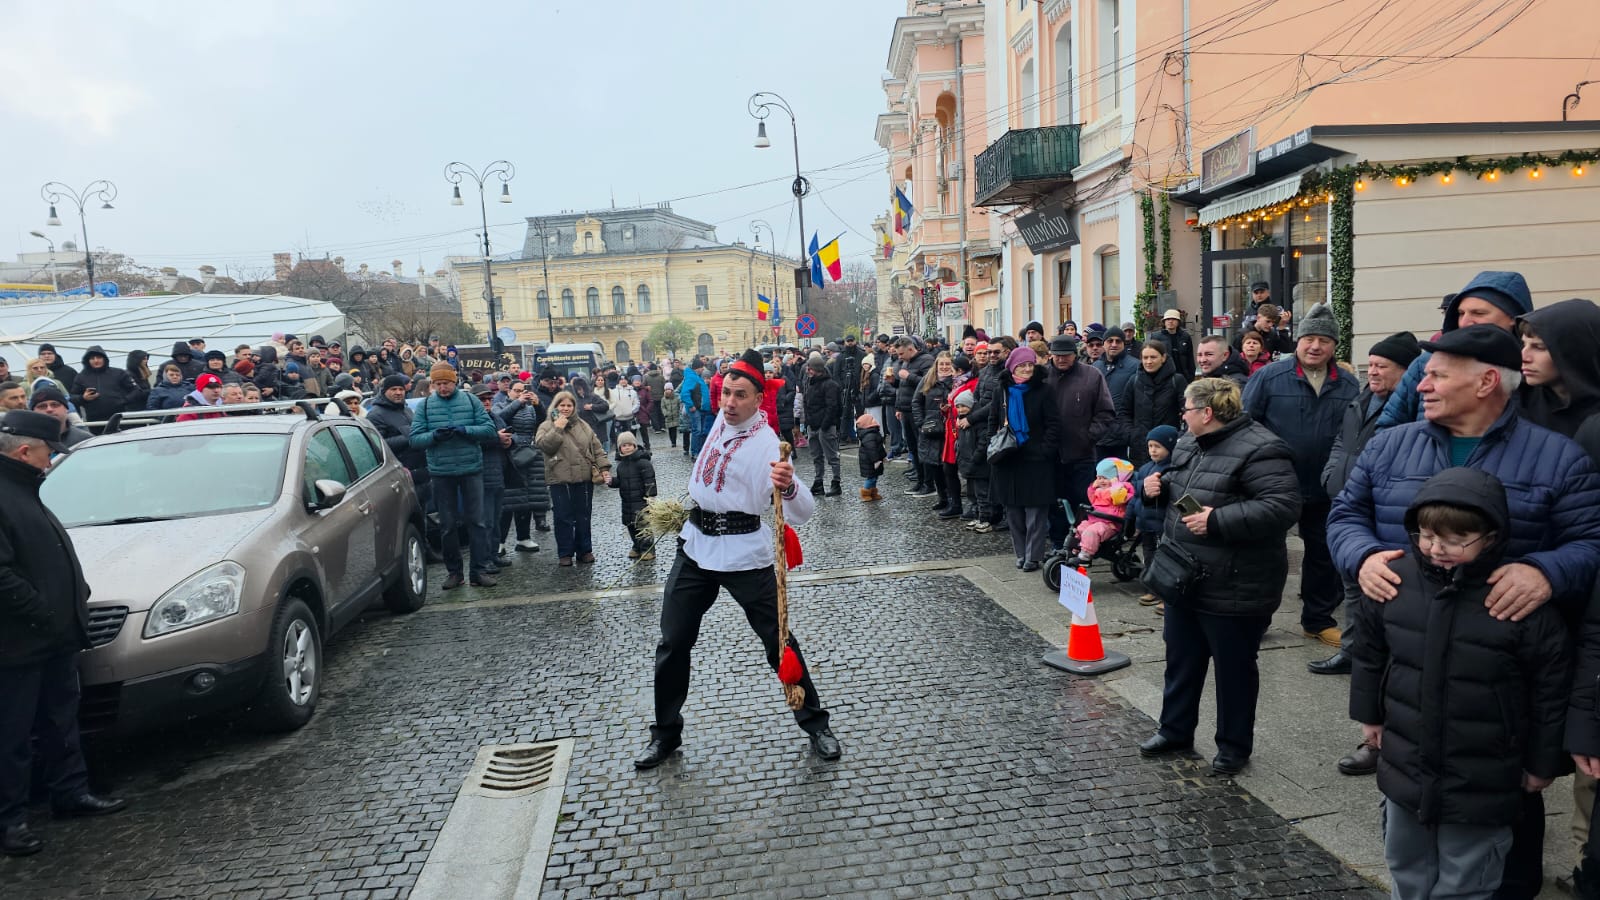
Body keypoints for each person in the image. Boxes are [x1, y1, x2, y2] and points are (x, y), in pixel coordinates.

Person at [1328, 325, 1600, 899]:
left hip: (1497, 696)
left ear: (1485, 382)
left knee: (1497, 851)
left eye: (1436, 375)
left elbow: (1591, 543)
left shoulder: (1559, 457)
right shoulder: (1390, 444)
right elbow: (1345, 515)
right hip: (1410, 682)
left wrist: (1546, 571)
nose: (1421, 384)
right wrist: (1362, 556)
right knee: (1408, 834)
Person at [1349, 468, 1568, 900]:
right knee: (1405, 862)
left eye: (1456, 539)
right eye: (1428, 536)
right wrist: (1369, 715)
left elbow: (1550, 688)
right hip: (1406, 762)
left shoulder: (1518, 598)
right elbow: (1370, 652)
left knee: (1468, 876)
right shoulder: (1395, 581)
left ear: (1491, 537)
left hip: (1483, 774)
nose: (1437, 549)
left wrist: (1543, 762)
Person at [635, 349, 839, 770]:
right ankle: (665, 733)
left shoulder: (769, 446)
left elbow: (803, 512)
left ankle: (816, 723)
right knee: (673, 642)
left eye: (740, 395)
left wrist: (788, 486)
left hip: (745, 555)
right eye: (726, 392)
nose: (729, 402)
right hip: (695, 548)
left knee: (779, 641)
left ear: (758, 399)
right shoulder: (718, 422)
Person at [1138, 378, 1301, 776]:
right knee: (1181, 661)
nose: (1182, 415)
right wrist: (1154, 487)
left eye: (1186, 409)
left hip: (1235, 582)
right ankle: (1174, 730)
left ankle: (1233, 747)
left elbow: (1283, 507)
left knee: (1234, 672)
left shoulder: (1262, 448)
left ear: (1207, 413)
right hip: (1184, 575)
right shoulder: (1188, 442)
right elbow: (1183, 487)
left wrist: (1218, 520)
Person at [0, 410, 126, 857]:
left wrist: (75, 596)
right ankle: (10, 821)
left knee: (60, 721)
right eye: (48, 453)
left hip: (52, 637)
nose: (51, 461)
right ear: (24, 451)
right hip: (18, 643)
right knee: (12, 734)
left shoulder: (23, 487)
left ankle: (70, 793)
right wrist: (45, 613)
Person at [1307, 331, 1424, 683]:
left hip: (1386, 507)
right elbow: (1342, 443)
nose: (1372, 371)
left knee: (1385, 586)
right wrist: (1331, 475)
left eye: (1382, 366)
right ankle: (1353, 651)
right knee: (1353, 582)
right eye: (1370, 364)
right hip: (1349, 500)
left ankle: (1380, 656)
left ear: (1406, 371)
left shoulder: (1410, 410)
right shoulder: (1360, 400)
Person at [1242, 303, 1359, 648]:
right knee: (1267, 556)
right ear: (1298, 341)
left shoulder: (1349, 384)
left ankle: (1318, 620)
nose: (1315, 346)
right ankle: (1256, 620)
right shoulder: (1269, 377)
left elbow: (1353, 433)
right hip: (1275, 484)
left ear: (1334, 346)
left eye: (1324, 340)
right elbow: (1245, 425)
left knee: (1323, 554)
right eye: (1309, 338)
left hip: (1325, 486)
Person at [1379, 271, 1534, 428]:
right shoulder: (1425, 363)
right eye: (1460, 313)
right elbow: (1387, 426)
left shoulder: (1535, 367)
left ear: (1513, 318)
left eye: (1479, 313)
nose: (1465, 322)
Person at [411, 363, 501, 589]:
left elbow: (489, 430)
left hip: (471, 469)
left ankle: (478, 571)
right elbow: (415, 439)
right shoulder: (425, 406)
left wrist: (466, 431)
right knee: (448, 525)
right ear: (432, 384)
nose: (442, 388)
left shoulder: (470, 401)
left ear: (454, 382)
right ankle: (454, 572)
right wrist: (434, 436)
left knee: (477, 522)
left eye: (446, 383)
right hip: (441, 472)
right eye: (438, 384)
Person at [988, 347, 1059, 571]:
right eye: (1022, 366)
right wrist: (994, 444)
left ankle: (1033, 556)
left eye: (1030, 364)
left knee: (1036, 511)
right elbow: (993, 419)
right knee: (1014, 511)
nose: (1027, 369)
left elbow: (1053, 424)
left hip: (1036, 459)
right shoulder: (1002, 390)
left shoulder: (1044, 390)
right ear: (1012, 367)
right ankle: (1020, 553)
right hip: (1009, 458)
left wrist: (1045, 450)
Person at [1045, 335, 1116, 547]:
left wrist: (1089, 436)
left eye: (1066, 355)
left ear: (1075, 355)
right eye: (1057, 355)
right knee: (1055, 503)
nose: (1061, 359)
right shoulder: (1043, 376)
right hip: (1051, 455)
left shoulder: (1091, 375)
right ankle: (1058, 545)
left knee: (1083, 502)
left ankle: (1083, 545)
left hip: (1082, 454)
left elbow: (1106, 412)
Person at [1516, 298, 1600, 461]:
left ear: (1576, 352)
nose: (1524, 357)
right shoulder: (1517, 402)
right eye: (1524, 345)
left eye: (1539, 347)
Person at [536, 390, 612, 567]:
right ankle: (565, 552)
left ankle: (584, 550)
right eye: (562, 405)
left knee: (583, 516)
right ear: (556, 406)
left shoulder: (583, 425)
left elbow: (596, 448)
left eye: (569, 405)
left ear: (574, 407)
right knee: (563, 517)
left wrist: (604, 468)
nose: (565, 408)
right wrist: (558, 428)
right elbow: (545, 446)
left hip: (583, 477)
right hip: (559, 479)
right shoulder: (546, 426)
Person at [497, 380, 548, 554]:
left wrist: (538, 405)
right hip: (509, 455)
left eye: (523, 390)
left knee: (527, 498)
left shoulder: (531, 408)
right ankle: (500, 541)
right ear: (509, 392)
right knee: (508, 500)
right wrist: (517, 403)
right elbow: (500, 418)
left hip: (529, 455)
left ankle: (524, 538)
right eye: (516, 390)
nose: (520, 393)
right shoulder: (500, 404)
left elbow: (543, 422)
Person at [1129, 425, 1178, 608]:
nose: (1153, 450)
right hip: (1145, 523)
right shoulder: (1144, 469)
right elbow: (1136, 497)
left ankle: (1165, 594)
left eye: (1158, 446)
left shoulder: (1172, 470)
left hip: (1162, 524)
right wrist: (1131, 519)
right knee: (1149, 557)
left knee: (1164, 559)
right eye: (1150, 446)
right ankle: (1152, 589)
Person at [1117, 340, 1187, 466]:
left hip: (1168, 448)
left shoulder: (1177, 381)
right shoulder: (1134, 381)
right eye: (1145, 357)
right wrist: (1131, 436)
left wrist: (1178, 437)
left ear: (1163, 358)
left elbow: (1188, 411)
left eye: (1153, 357)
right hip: (1139, 449)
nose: (1148, 361)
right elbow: (1124, 412)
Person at [1066, 457, 1133, 568]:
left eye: (1105, 478)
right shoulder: (1100, 490)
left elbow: (1119, 499)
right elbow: (1092, 500)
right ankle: (1075, 550)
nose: (1101, 481)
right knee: (1080, 528)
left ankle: (1086, 556)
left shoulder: (1123, 488)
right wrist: (1093, 488)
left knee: (1091, 532)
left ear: (1115, 478)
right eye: (1099, 478)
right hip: (1095, 520)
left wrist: (1116, 485)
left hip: (1111, 524)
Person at [912, 352, 957, 515]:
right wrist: (921, 422)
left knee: (948, 468)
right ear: (936, 365)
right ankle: (942, 498)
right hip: (930, 429)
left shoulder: (956, 381)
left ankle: (953, 500)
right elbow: (916, 402)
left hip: (949, 429)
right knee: (934, 465)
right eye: (941, 364)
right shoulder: (927, 379)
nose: (944, 367)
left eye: (947, 364)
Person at [609, 431, 658, 559]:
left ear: (635, 445)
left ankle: (648, 549)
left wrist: (651, 496)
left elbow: (650, 480)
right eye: (624, 445)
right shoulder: (621, 466)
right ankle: (637, 546)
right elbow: (620, 481)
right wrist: (611, 481)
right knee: (631, 525)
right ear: (620, 448)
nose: (627, 448)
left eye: (629, 445)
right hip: (627, 502)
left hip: (641, 501)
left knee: (643, 525)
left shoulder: (643, 463)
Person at [69, 346, 139, 428]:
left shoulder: (119, 373)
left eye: (99, 357)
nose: (96, 360)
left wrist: (124, 401)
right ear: (88, 361)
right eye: (92, 358)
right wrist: (83, 398)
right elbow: (72, 397)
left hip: (119, 419)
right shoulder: (81, 377)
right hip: (95, 422)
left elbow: (137, 390)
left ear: (104, 359)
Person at [804, 355, 843, 496]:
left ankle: (836, 483)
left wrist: (825, 425)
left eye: (810, 368)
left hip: (825, 426)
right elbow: (807, 403)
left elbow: (833, 407)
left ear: (817, 369)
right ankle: (818, 482)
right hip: (813, 426)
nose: (808, 370)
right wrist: (808, 423)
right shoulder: (810, 382)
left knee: (832, 456)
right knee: (816, 457)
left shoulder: (830, 385)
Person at [856, 411, 886, 502]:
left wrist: (883, 456)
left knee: (874, 477)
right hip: (870, 462)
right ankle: (865, 493)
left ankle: (872, 492)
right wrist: (876, 460)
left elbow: (880, 448)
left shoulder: (872, 433)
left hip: (874, 461)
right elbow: (872, 450)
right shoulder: (870, 435)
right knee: (871, 478)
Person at [1156, 309, 1195, 378]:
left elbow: (1190, 357)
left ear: (1178, 322)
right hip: (1164, 376)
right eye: (1168, 319)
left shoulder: (1185, 336)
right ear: (1164, 322)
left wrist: (1191, 375)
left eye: (1173, 319)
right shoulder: (1156, 337)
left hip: (1183, 375)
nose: (1170, 321)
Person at [660, 383, 682, 449]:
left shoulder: (676, 397)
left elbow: (679, 405)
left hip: (675, 416)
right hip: (668, 417)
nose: (668, 390)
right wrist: (665, 413)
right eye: (666, 389)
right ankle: (672, 441)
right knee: (670, 430)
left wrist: (679, 411)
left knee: (674, 430)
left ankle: (674, 442)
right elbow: (663, 407)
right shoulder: (663, 399)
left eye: (669, 389)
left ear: (672, 389)